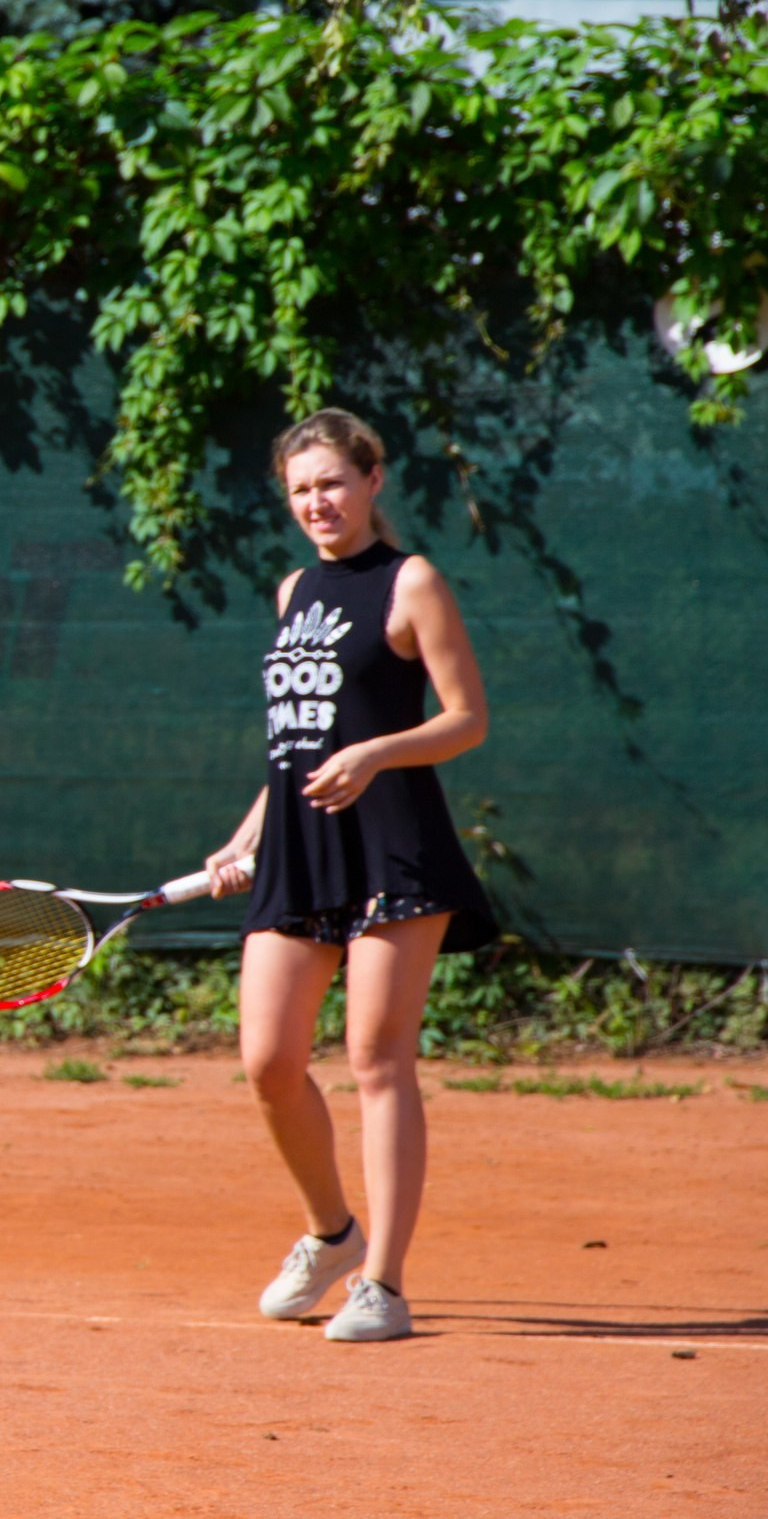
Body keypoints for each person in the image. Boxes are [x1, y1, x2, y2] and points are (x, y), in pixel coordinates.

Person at [203, 408, 497, 1344]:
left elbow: (466, 718)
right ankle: (332, 1232)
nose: (316, 501)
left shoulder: (413, 582)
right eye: (300, 489)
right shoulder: (292, 588)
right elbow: (291, 744)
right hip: (299, 848)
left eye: (332, 481)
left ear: (373, 479)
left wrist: (376, 752)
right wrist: (246, 833)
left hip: (394, 847)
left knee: (377, 1058)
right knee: (269, 1061)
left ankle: (383, 1284)